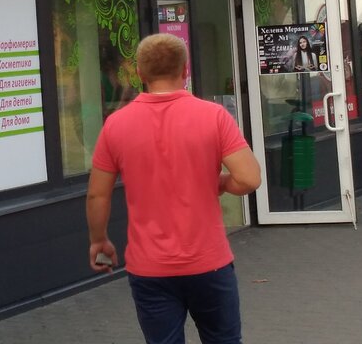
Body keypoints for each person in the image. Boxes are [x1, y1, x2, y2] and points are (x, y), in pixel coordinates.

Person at [86, 33, 261, 344]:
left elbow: (97, 194)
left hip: (150, 268)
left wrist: (99, 240)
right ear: (185, 69)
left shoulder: (116, 124)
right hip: (209, 263)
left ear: (139, 73)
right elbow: (249, 179)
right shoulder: (214, 116)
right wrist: (220, 182)